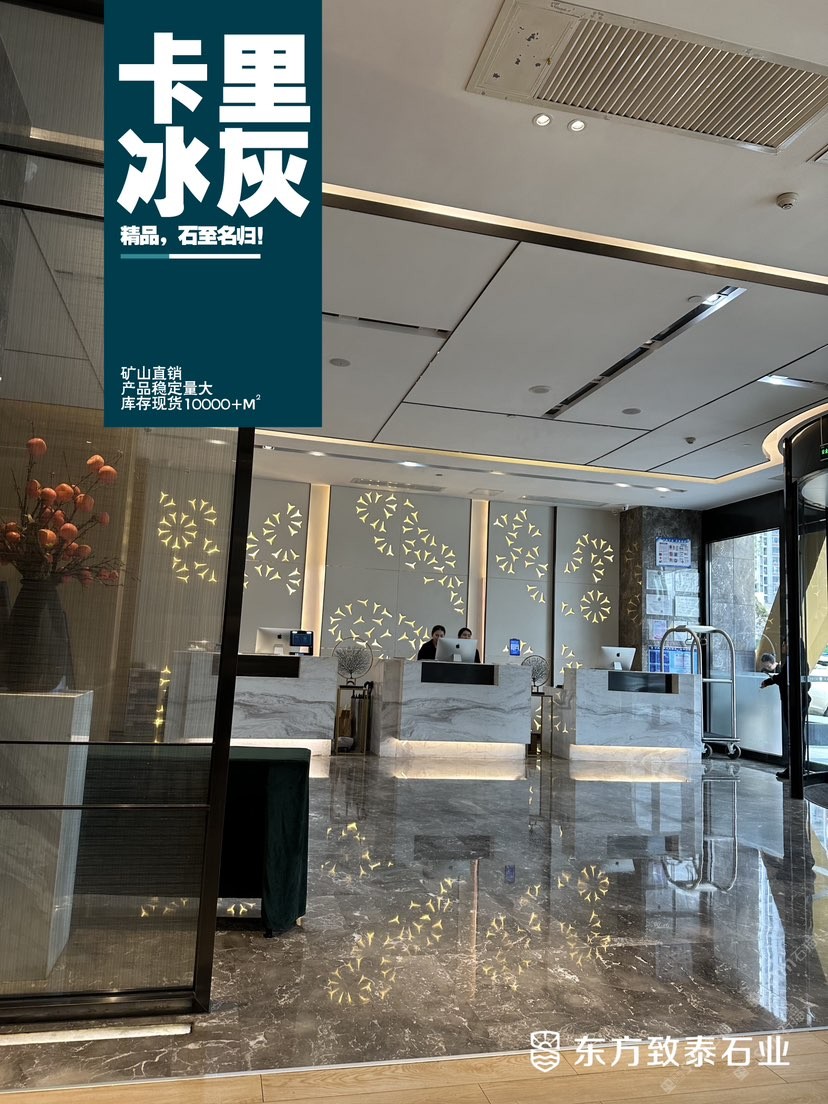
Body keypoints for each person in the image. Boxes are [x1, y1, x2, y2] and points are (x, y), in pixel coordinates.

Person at [761, 640, 810, 781]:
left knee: (795, 735)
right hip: (796, 700)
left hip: (794, 701)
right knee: (796, 735)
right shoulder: (798, 661)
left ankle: (795, 768)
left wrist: (769, 681)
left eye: (785, 643)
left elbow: (785, 678)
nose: (783, 646)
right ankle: (797, 767)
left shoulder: (794, 661)